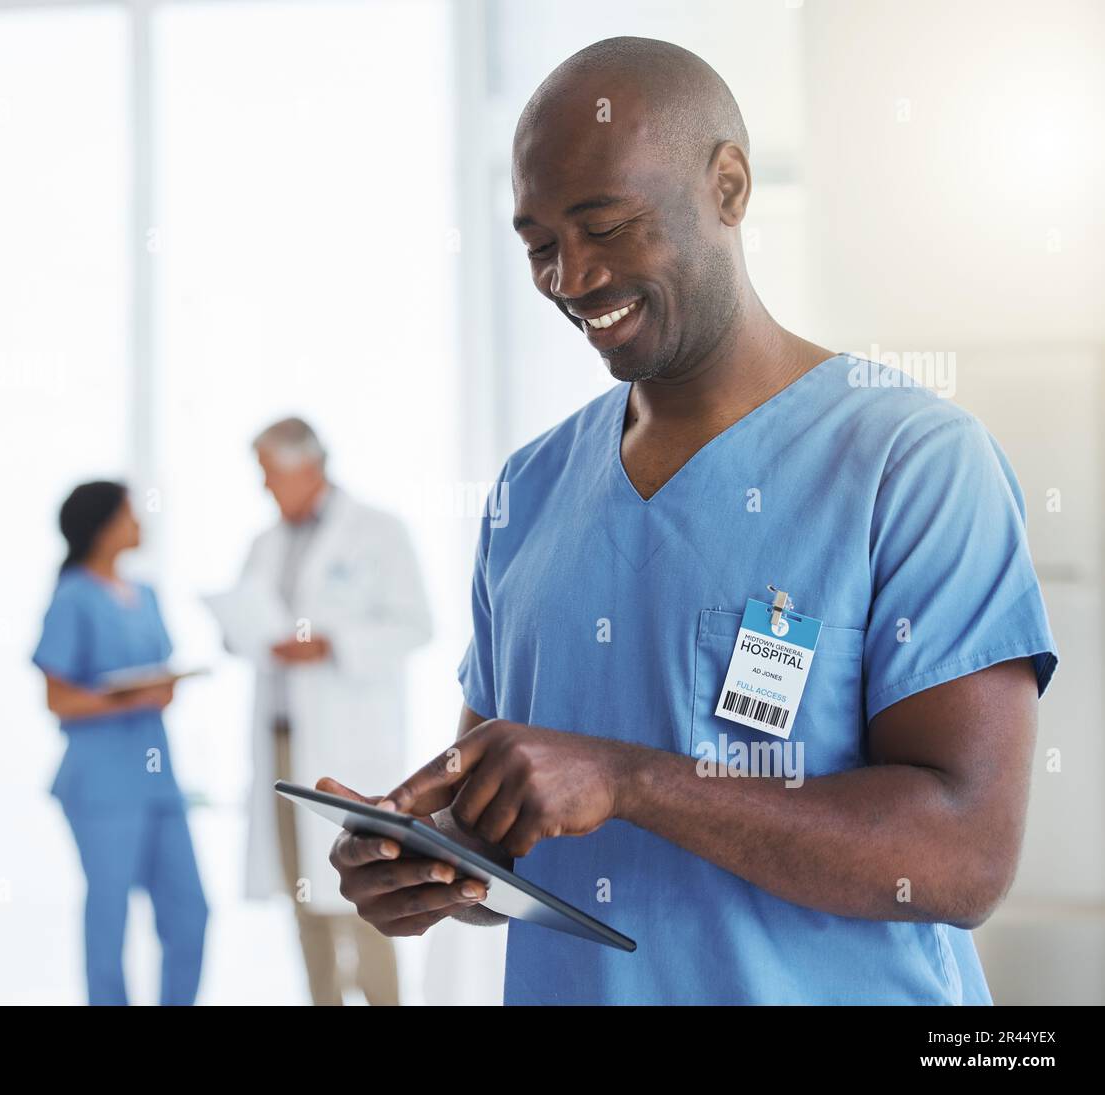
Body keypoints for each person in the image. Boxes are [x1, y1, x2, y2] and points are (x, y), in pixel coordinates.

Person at [321, 37, 1059, 1005]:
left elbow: (963, 855)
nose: (569, 277)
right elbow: (512, 825)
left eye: (606, 227)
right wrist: (433, 864)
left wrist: (630, 780)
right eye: (540, 245)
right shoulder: (530, 492)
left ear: (729, 186)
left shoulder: (909, 466)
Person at [213, 418, 431, 1005]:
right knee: (302, 892)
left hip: (345, 745)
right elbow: (243, 630)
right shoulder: (265, 544)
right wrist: (245, 634)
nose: (263, 487)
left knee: (365, 893)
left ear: (303, 466)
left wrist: (332, 642)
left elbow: (415, 625)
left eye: (268, 473)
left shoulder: (377, 532)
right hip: (282, 741)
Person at [32, 480, 207, 1006]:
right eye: (131, 514)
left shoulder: (147, 594)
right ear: (104, 526)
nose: (140, 523)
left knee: (190, 911)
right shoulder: (72, 597)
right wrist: (131, 700)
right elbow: (58, 700)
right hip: (101, 781)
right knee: (109, 914)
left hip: (158, 780)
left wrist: (161, 690)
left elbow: (160, 679)